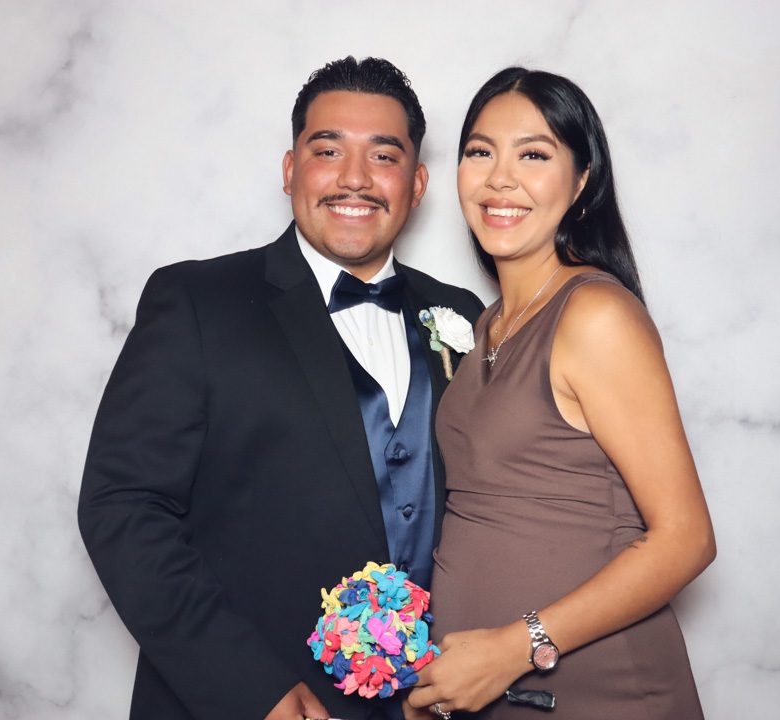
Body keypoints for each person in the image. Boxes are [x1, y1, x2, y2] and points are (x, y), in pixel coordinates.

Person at [78, 56, 483, 720]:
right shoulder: (197, 301)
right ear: (291, 169)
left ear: (416, 184)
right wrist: (251, 689)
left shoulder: (464, 314)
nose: (355, 178)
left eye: (384, 156)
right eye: (328, 150)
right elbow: (123, 509)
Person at [405, 68, 716, 719]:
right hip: (492, 695)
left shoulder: (595, 315)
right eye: (480, 152)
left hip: (596, 692)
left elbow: (687, 538)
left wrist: (513, 647)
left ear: (581, 183)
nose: (500, 179)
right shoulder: (487, 325)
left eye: (534, 155)